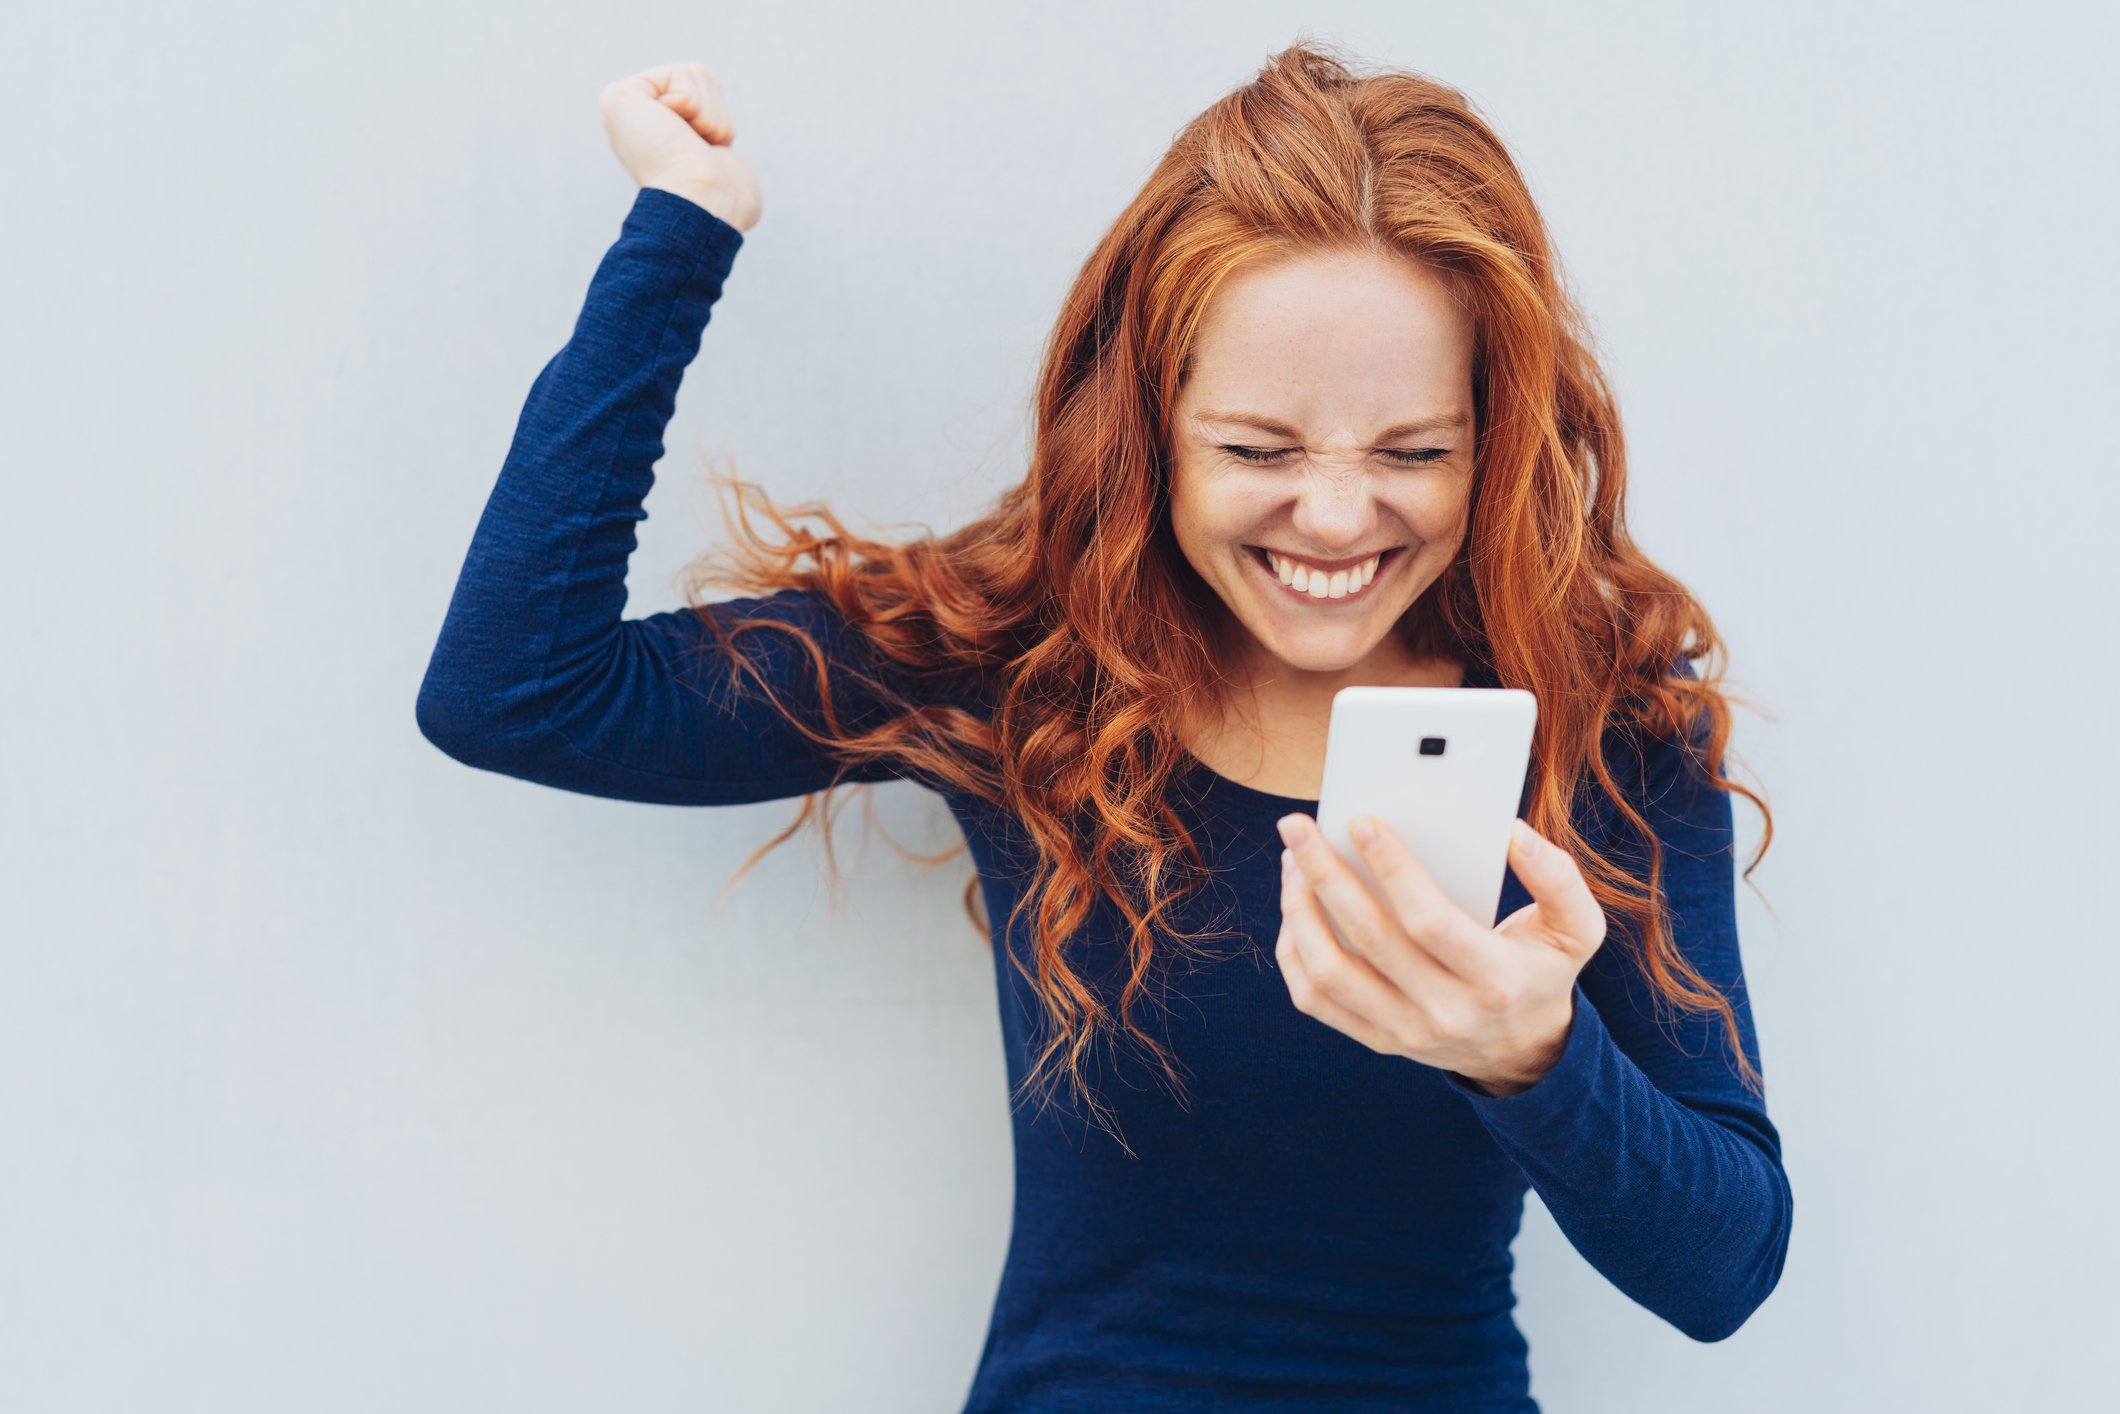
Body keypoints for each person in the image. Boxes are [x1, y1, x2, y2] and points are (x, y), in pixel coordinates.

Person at [416, 41, 1792, 1413]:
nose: (1333, 516)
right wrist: (681, 229)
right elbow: (515, 688)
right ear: (1153, 425)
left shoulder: (1603, 734)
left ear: (1495, 439)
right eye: (1258, 449)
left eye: (1413, 453)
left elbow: (1727, 1264)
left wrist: (1532, 1054)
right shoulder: (1025, 669)